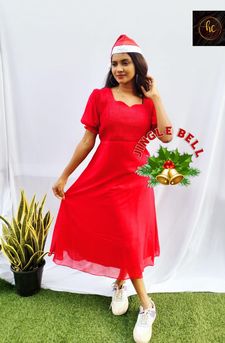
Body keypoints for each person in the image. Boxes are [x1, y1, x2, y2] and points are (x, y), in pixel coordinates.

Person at [49, 34, 173, 343]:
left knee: (129, 237)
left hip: (137, 181)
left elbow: (167, 136)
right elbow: (87, 141)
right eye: (114, 63)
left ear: (137, 64)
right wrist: (65, 175)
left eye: (125, 62)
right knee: (121, 235)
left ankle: (146, 305)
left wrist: (157, 97)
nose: (118, 68)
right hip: (104, 178)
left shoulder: (148, 102)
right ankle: (123, 288)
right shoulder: (100, 97)